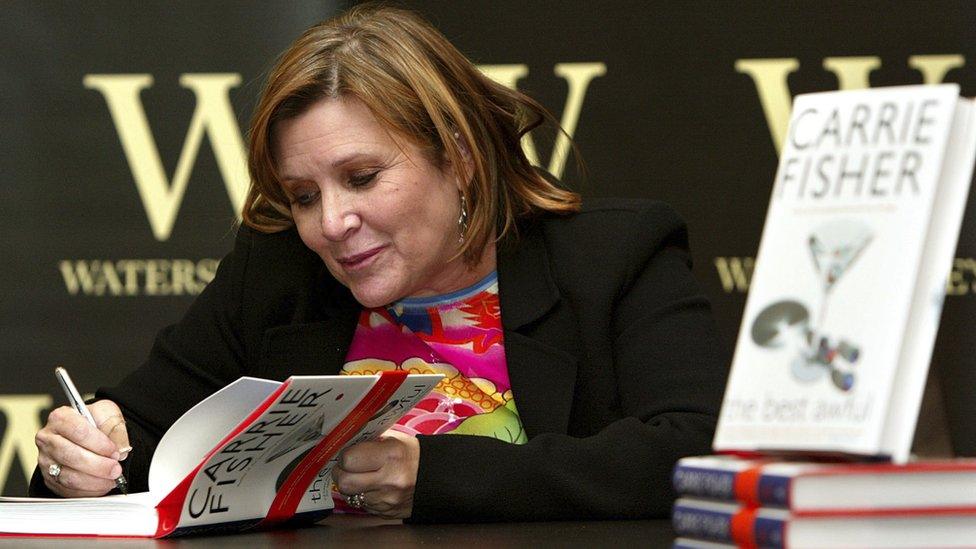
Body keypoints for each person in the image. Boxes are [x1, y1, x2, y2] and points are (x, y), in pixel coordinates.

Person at [30, 4, 728, 522]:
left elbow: (695, 449)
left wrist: (439, 474)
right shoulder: (277, 272)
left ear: (455, 154)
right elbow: (141, 432)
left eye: (362, 177)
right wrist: (84, 458)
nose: (331, 224)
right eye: (304, 195)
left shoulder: (615, 256)